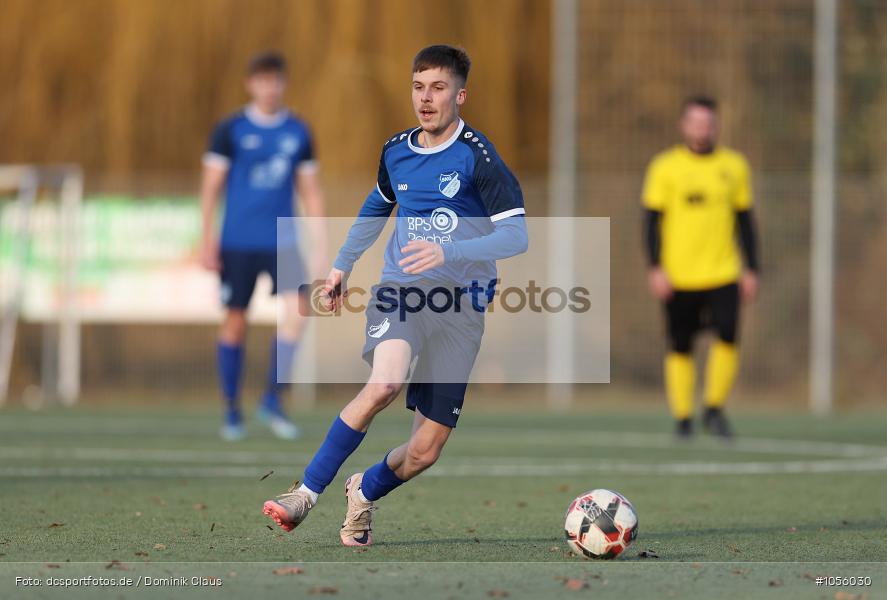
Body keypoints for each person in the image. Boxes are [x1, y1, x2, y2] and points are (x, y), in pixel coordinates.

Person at [262, 45, 528, 546]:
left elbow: (517, 236)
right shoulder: (396, 150)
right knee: (384, 383)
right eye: (418, 86)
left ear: (460, 95)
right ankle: (305, 492)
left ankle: (362, 491)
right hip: (402, 292)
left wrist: (449, 250)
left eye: (438, 88)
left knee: (425, 450)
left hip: (461, 307)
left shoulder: (478, 157)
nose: (426, 99)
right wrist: (342, 265)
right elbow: (377, 204)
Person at [200, 51, 326, 441]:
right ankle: (232, 409)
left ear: (283, 83)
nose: (269, 87)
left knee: (300, 310)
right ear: (250, 84)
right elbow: (211, 187)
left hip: (283, 240)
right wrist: (207, 238)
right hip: (237, 241)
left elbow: (310, 191)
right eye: (261, 80)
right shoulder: (230, 129)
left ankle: (273, 397)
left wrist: (321, 246)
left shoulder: (298, 132)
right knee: (236, 320)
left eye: (275, 80)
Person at [642, 95, 760, 439]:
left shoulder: (734, 166)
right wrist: (655, 267)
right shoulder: (665, 167)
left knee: (727, 334)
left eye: (708, 122)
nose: (702, 129)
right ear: (683, 125)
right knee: (680, 344)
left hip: (724, 271)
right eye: (695, 122)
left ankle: (714, 408)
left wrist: (752, 268)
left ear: (716, 125)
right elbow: (651, 222)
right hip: (678, 275)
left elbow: (746, 222)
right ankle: (683, 417)